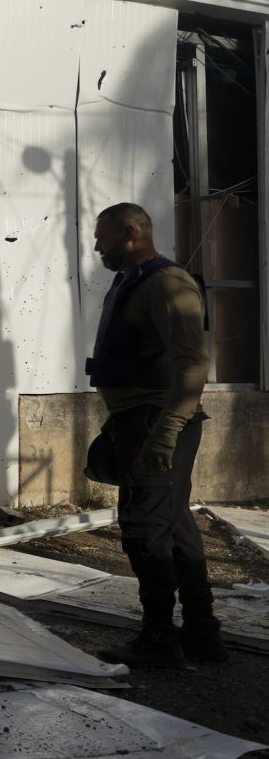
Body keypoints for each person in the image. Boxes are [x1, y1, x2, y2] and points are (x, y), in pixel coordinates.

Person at [87, 202, 226, 667]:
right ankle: (203, 635)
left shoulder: (167, 282)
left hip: (158, 423)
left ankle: (160, 640)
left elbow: (193, 362)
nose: (96, 245)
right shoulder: (128, 283)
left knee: (145, 532)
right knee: (174, 525)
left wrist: (165, 433)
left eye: (101, 236)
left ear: (131, 232)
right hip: (136, 420)